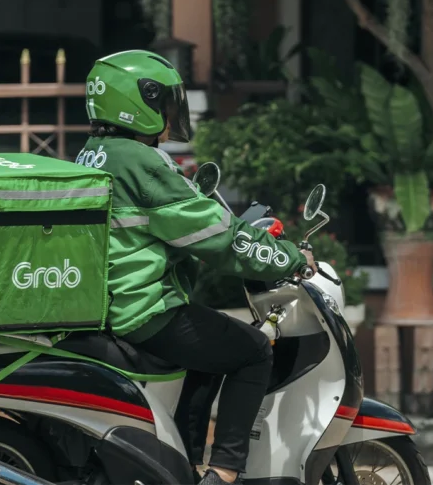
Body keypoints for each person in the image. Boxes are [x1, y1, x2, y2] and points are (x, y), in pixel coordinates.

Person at [75, 50, 317, 485]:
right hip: (143, 310)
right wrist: (291, 258)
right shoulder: (143, 162)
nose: (170, 116)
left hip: (105, 306)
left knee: (209, 350)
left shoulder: (94, 153)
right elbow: (218, 237)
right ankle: (224, 472)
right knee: (253, 351)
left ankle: (182, 466)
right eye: (164, 103)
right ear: (138, 102)